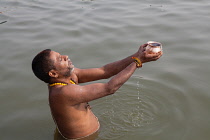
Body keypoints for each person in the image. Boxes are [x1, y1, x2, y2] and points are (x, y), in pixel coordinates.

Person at [32, 43, 162, 140]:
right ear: (53, 73)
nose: (66, 56)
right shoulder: (62, 93)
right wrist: (138, 62)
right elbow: (109, 88)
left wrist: (136, 56)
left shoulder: (69, 76)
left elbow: (105, 71)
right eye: (60, 59)